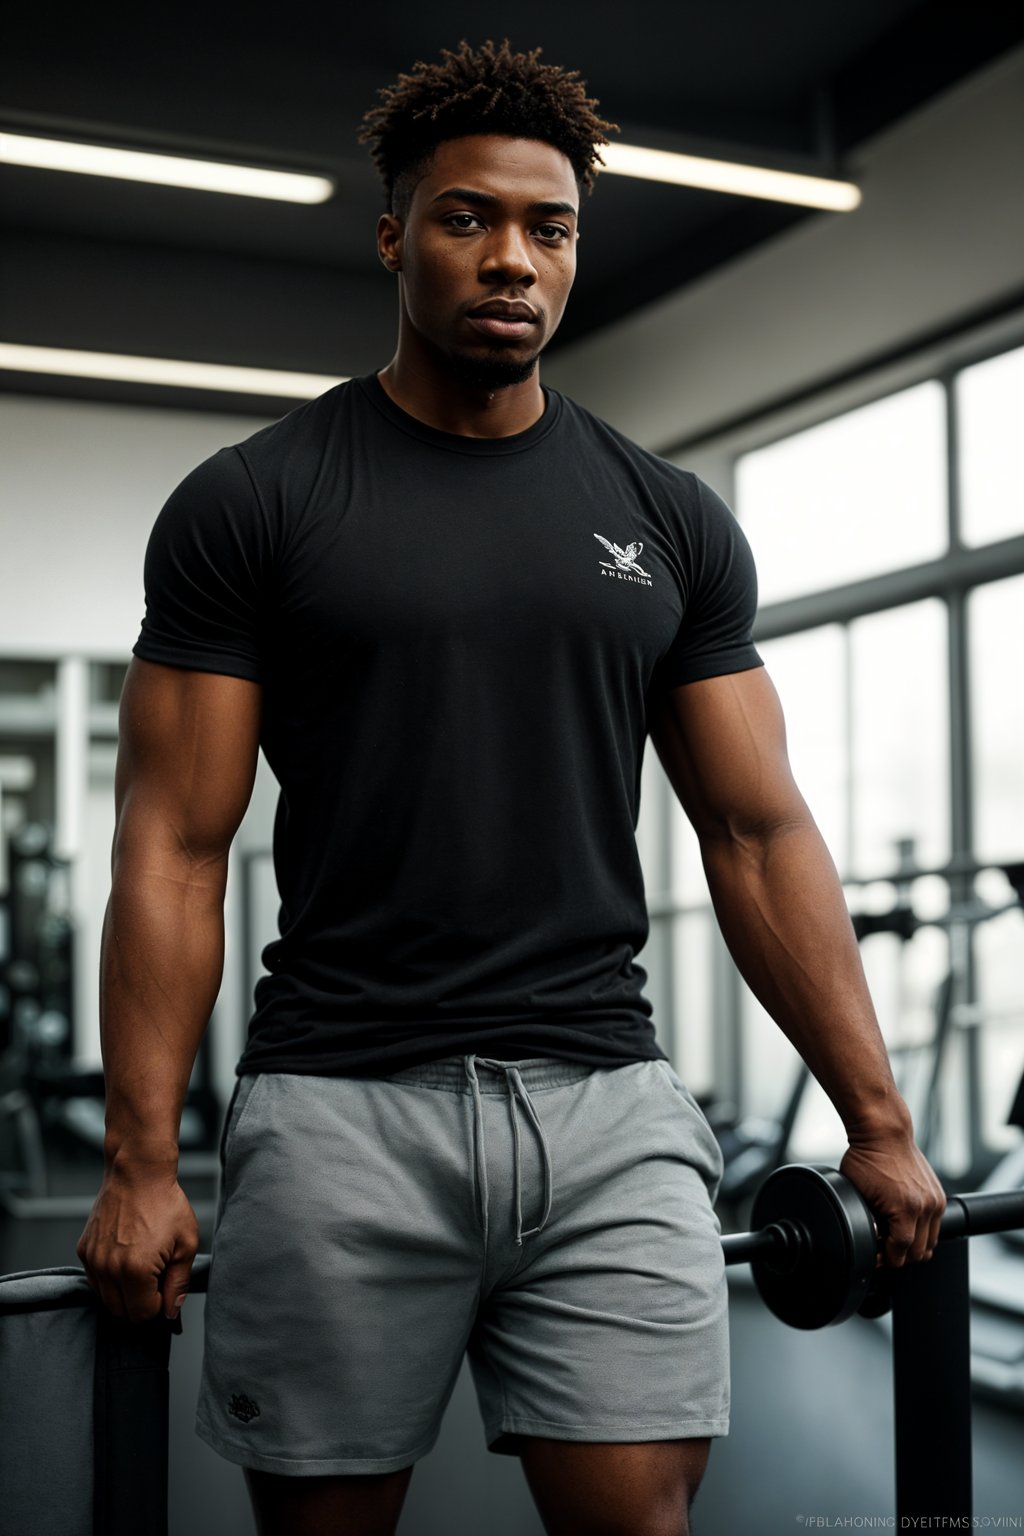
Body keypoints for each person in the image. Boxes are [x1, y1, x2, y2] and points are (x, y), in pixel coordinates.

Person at [76, 38, 946, 1536]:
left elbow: (752, 830)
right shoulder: (257, 501)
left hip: (608, 1104)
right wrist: (140, 1160)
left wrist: (878, 1120)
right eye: (469, 218)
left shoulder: (667, 518)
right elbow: (171, 845)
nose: (513, 260)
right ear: (394, 235)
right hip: (342, 1107)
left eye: (549, 229)